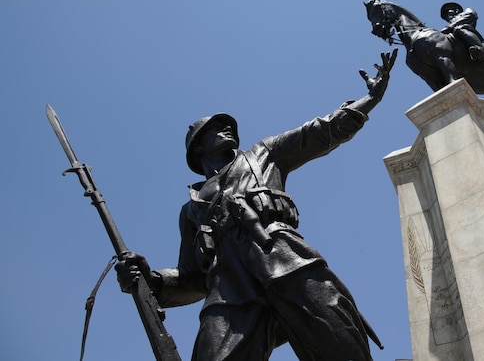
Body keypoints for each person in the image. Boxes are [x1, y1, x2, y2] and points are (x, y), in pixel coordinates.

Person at [116, 49, 397, 361]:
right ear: (198, 147)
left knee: (342, 346)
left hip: (288, 262)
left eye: (228, 126)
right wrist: (150, 281)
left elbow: (319, 131)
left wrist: (370, 99)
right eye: (216, 128)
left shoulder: (265, 154)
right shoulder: (191, 209)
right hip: (229, 289)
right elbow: (193, 277)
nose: (228, 128)